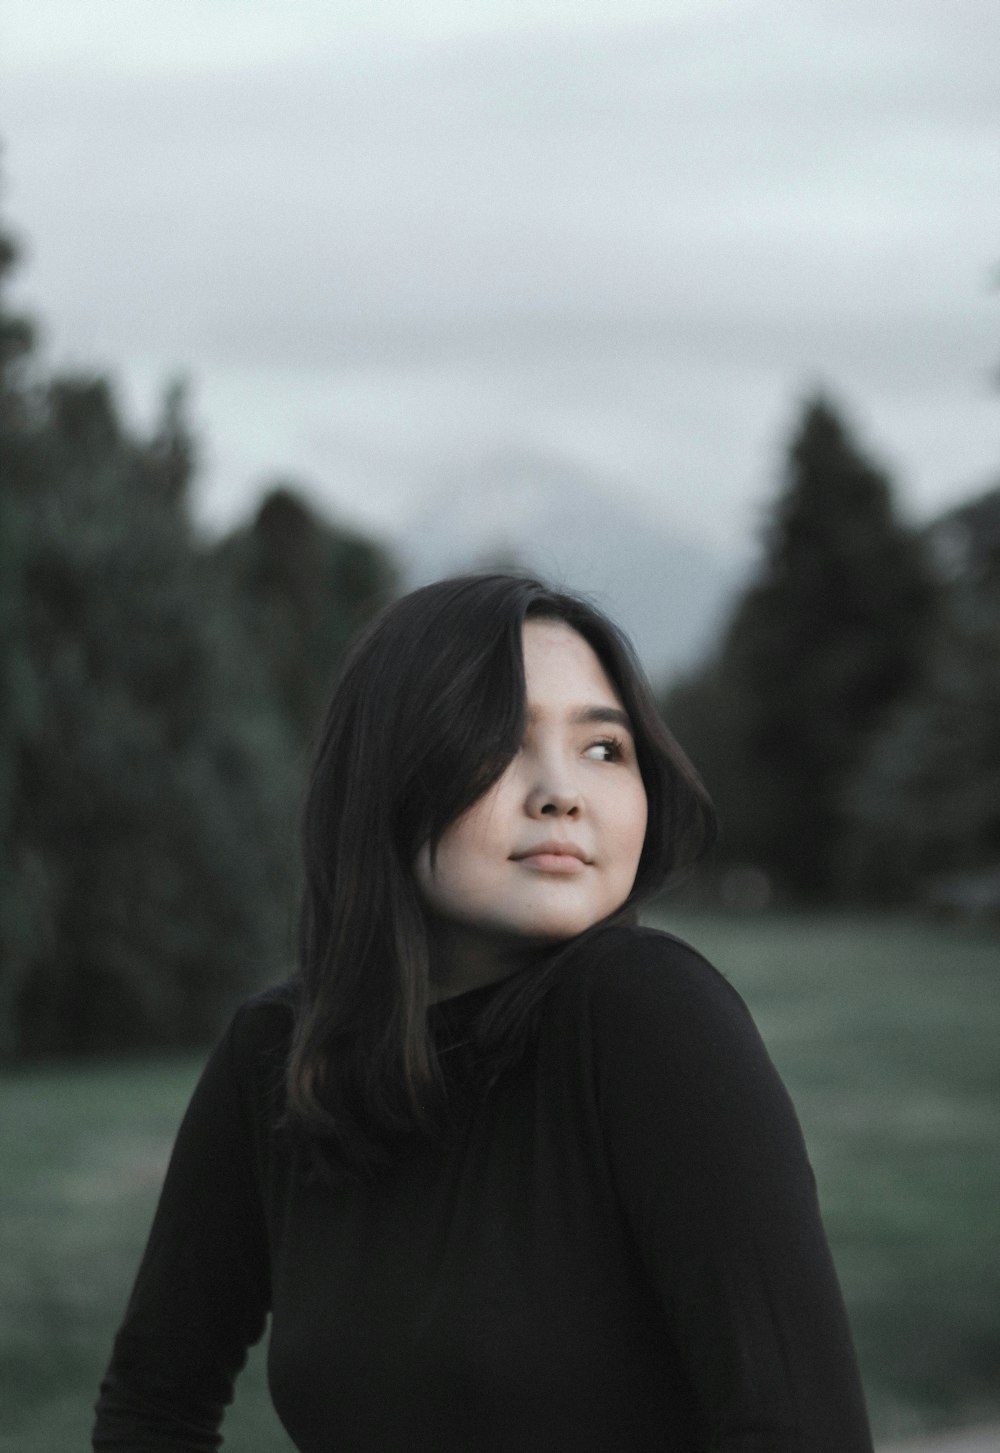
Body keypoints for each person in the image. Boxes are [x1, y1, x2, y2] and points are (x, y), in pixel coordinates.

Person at [92, 572, 873, 1451]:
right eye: (502, 741)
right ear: (386, 773)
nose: (561, 792)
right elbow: (152, 1406)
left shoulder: (649, 1015)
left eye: (603, 748)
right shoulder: (273, 1055)